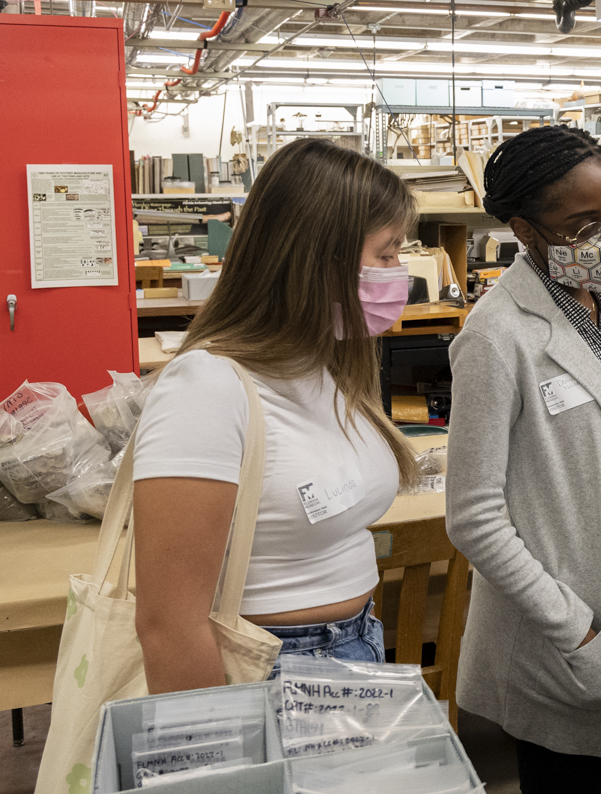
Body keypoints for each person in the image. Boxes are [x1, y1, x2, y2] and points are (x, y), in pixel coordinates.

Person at [446, 125, 601, 794]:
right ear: (524, 228)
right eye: (583, 225)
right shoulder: (495, 334)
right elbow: (474, 517)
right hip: (567, 620)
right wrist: (571, 624)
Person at [132, 138, 418, 692]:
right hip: (268, 669)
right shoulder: (207, 388)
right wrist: (220, 764)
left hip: (355, 645)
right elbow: (169, 627)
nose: (398, 271)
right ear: (317, 257)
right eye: (385, 253)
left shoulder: (328, 363)